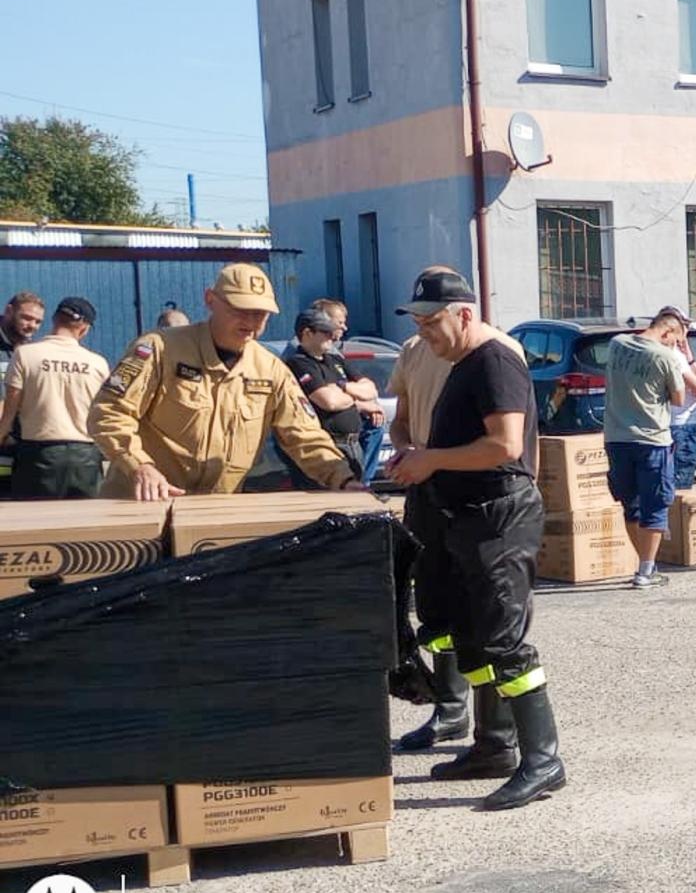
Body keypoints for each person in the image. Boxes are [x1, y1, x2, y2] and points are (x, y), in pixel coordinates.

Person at [385, 270, 563, 811]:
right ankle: (493, 746)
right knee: (473, 639)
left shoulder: (493, 360)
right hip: (466, 516)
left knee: (505, 642)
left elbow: (505, 445)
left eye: (432, 322)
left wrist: (431, 459)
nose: (424, 334)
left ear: (464, 314)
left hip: (500, 517)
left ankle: (544, 761)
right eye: (417, 323)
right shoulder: (460, 361)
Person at [88, 264, 358, 500]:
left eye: (260, 314)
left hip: (213, 514)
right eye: (240, 309)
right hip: (144, 505)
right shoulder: (159, 349)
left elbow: (305, 436)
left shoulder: (271, 369)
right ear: (210, 299)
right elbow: (109, 413)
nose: (250, 321)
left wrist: (344, 480)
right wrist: (140, 467)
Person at [605, 307, 688, 589]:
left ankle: (643, 563)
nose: (674, 346)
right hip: (652, 438)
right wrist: (677, 358)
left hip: (616, 437)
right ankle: (645, 571)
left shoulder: (616, 344)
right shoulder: (664, 356)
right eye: (675, 340)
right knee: (656, 504)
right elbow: (678, 398)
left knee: (631, 504)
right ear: (667, 332)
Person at [0, 297, 108, 498]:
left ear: (54, 319)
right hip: (85, 457)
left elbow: (9, 413)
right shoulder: (97, 363)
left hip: (38, 455)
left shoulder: (25, 355)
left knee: (36, 523)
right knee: (85, 523)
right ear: (84, 329)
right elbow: (105, 413)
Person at [308, 296, 386, 478]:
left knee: (375, 427)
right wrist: (362, 405)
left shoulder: (334, 355)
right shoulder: (304, 356)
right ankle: (358, 482)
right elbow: (328, 401)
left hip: (351, 431)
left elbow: (369, 388)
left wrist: (343, 387)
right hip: (332, 436)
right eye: (340, 323)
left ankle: (362, 481)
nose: (345, 328)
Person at [667, 323, 696, 489]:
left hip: (681, 424)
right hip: (681, 426)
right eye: (684, 327)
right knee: (680, 486)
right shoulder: (674, 357)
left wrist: (687, 350)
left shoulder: (678, 354)